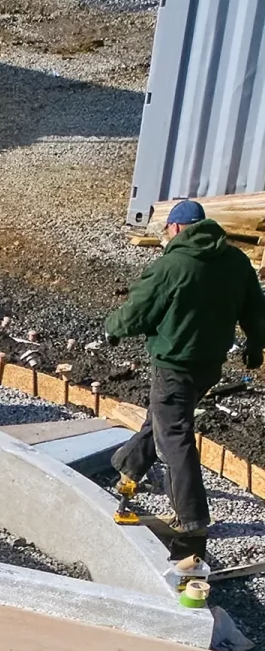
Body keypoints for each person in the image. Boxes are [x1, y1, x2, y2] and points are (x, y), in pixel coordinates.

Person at [104, 197, 265, 579]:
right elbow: (257, 309)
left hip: (175, 363)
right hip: (209, 365)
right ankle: (128, 468)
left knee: (173, 435)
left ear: (175, 228)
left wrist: (114, 327)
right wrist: (256, 345)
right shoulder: (235, 261)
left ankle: (191, 522)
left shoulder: (172, 265)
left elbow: (139, 310)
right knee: (164, 418)